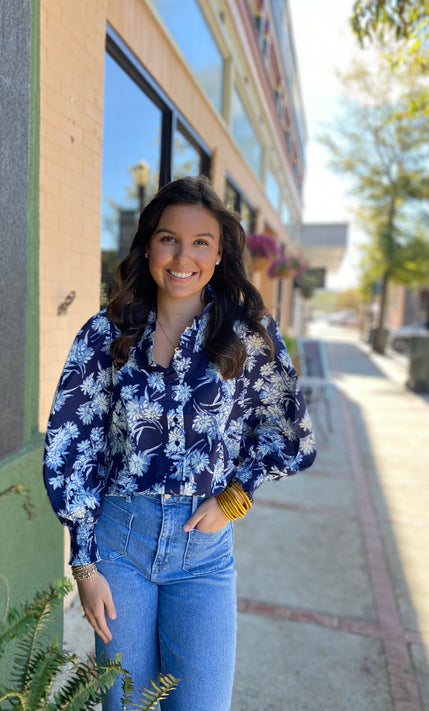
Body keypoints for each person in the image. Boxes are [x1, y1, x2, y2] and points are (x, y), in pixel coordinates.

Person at [43, 175, 316, 711]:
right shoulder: (106, 335)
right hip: (119, 547)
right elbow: (72, 444)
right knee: (126, 705)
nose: (182, 256)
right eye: (168, 239)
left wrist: (237, 495)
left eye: (200, 243)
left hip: (204, 557)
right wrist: (85, 565)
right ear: (148, 246)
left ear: (218, 256)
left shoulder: (247, 334)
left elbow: (288, 433)